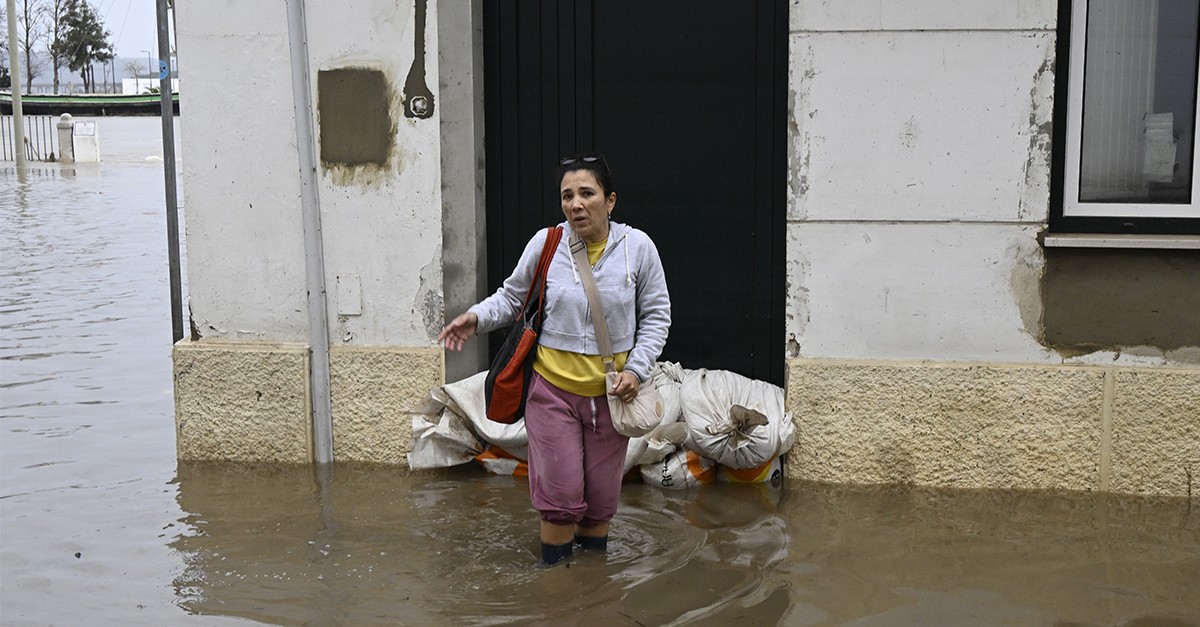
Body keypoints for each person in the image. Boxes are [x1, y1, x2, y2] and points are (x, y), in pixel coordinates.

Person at [438, 153, 671, 566]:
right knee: (560, 500)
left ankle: (591, 586)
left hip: (612, 398)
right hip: (552, 394)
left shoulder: (638, 248)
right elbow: (512, 298)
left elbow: (656, 316)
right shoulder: (547, 243)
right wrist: (475, 318)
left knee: (600, 503)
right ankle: (557, 585)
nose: (575, 204)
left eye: (587, 194)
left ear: (610, 200)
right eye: (567, 196)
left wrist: (636, 370)